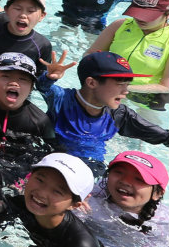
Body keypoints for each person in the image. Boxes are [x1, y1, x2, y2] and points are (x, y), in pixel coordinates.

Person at [37, 50, 169, 172]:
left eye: (127, 84)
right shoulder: (62, 100)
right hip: (50, 159)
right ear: (92, 83)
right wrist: (49, 77)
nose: (126, 91)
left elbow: (161, 135)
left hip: (91, 167)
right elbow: (43, 87)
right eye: (120, 84)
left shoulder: (119, 115)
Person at [87, 0, 169, 110]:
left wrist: (121, 88)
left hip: (146, 100)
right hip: (108, 91)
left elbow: (165, 86)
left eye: (147, 15)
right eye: (137, 12)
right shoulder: (119, 26)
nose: (139, 18)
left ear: (167, 13)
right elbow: (91, 54)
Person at [80, 151, 167, 247]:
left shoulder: (162, 225)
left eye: (139, 179)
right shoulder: (92, 193)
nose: (125, 181)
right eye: (119, 172)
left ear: (157, 194)